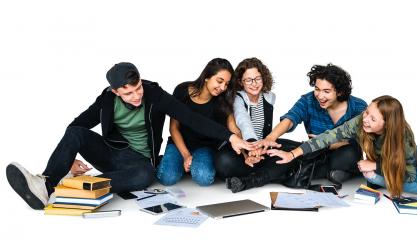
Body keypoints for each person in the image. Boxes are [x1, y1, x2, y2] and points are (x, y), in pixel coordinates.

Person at [6, 62, 254, 210]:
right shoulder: (106, 100)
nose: (136, 96)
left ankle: (76, 188)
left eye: (138, 89)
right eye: (128, 93)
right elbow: (76, 126)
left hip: (138, 162)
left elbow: (191, 118)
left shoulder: (155, 94)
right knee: (75, 133)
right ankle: (46, 184)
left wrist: (230, 137)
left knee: (145, 175)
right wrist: (69, 157)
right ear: (115, 92)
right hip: (111, 153)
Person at [267, 95, 417, 198]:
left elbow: (407, 173)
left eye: (372, 118)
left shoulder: (403, 136)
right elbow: (326, 137)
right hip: (381, 170)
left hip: (408, 167)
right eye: (366, 112)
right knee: (368, 175)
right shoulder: (360, 122)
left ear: (387, 124)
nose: (365, 119)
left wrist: (375, 165)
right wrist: (293, 154)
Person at [228, 63, 367, 192]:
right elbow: (290, 119)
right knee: (276, 146)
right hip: (311, 151)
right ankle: (255, 180)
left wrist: (327, 144)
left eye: (326, 91)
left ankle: (290, 172)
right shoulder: (308, 100)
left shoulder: (358, 107)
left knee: (350, 152)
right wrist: (270, 138)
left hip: (339, 154)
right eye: (317, 89)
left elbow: (360, 142)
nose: (320, 95)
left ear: (340, 92)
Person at [156, 58, 241, 186]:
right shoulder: (182, 90)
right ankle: (173, 162)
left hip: (204, 147)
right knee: (168, 178)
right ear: (207, 76)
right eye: (219, 81)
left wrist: (245, 147)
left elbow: (233, 127)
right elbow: (174, 128)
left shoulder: (223, 100)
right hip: (179, 144)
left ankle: (192, 165)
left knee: (204, 178)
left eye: (227, 84)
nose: (223, 87)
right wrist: (185, 155)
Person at [213, 58, 290, 192]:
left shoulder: (269, 97)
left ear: (263, 78)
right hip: (242, 149)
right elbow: (243, 122)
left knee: (295, 149)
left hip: (262, 147)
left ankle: (254, 176)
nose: (254, 84)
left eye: (257, 78)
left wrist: (260, 149)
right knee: (224, 162)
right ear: (240, 82)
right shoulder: (238, 98)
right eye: (248, 80)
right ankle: (277, 174)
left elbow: (268, 135)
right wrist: (251, 147)